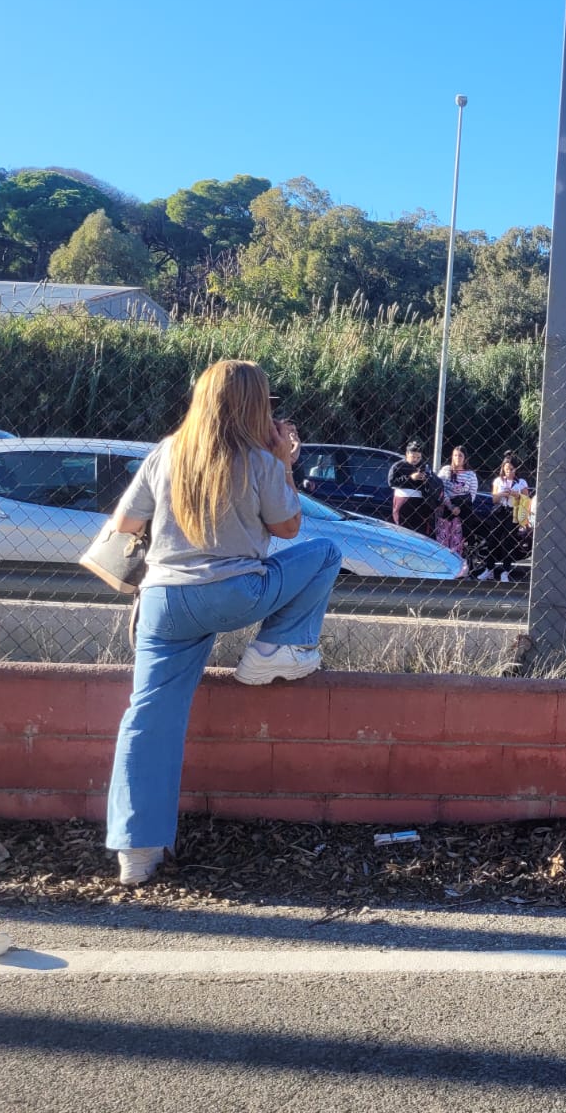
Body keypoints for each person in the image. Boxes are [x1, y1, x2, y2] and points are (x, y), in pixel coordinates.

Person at [104, 360, 343, 886]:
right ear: (256, 405)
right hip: (235, 594)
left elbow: (124, 522)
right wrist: (284, 463)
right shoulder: (259, 459)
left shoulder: (168, 450)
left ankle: (136, 852)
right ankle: (276, 649)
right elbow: (288, 528)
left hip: (164, 601)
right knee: (326, 552)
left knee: (147, 718)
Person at [481, 453, 530, 582]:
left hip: (513, 512)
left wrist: (516, 495)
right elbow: (494, 499)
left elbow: (526, 499)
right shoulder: (498, 481)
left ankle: (505, 571)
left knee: (508, 542)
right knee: (493, 540)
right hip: (499, 511)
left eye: (511, 469)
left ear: (516, 469)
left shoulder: (521, 482)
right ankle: (489, 569)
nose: (509, 471)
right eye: (506, 468)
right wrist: (502, 494)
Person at [387, 440, 438, 536]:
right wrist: (410, 478)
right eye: (413, 457)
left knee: (419, 532)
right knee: (402, 530)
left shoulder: (425, 466)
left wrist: (426, 479)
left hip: (421, 503)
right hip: (403, 501)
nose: (416, 460)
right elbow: (391, 482)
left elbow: (432, 483)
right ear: (407, 454)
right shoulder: (398, 466)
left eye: (418, 457)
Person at [435, 446, 478, 557]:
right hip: (446, 508)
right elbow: (440, 488)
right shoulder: (446, 470)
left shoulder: (471, 475)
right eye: (455, 455)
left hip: (462, 510)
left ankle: (456, 561)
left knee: (457, 540)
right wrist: (450, 506)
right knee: (443, 538)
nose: (457, 458)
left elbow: (472, 495)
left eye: (460, 455)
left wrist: (460, 506)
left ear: (465, 458)